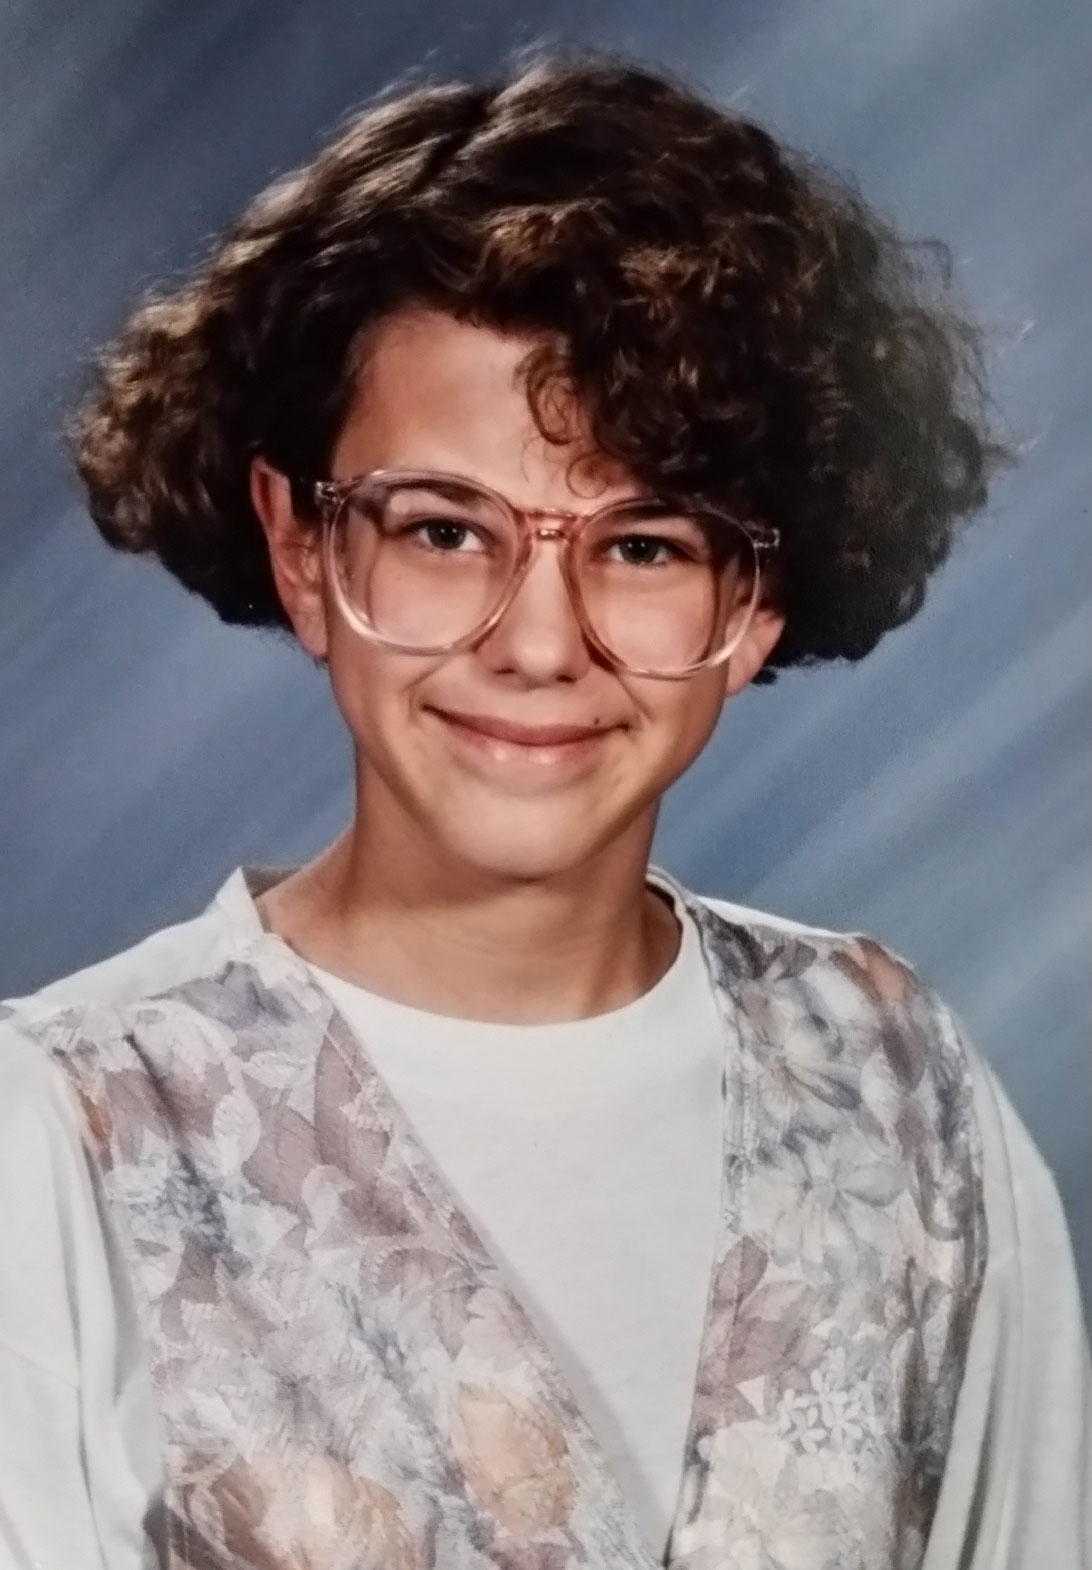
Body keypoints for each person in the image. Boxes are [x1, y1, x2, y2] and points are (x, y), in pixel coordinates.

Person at [0, 51, 1087, 1570]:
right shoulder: (64, 1135)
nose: (536, 641)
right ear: (303, 548)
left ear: (758, 596)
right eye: (444, 530)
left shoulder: (902, 1090)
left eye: (643, 546)